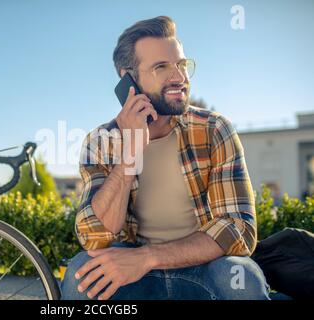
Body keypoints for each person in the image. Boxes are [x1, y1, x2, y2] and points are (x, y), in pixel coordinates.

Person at [60, 16, 270, 300]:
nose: (179, 78)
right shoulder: (101, 141)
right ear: (128, 79)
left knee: (241, 279)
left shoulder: (213, 129)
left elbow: (238, 229)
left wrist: (148, 257)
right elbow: (94, 236)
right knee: (80, 276)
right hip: (134, 274)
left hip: (201, 266)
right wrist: (130, 152)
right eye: (161, 67)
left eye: (181, 65)